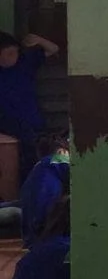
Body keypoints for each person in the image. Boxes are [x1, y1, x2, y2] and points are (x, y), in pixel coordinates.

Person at [0, 30, 60, 176]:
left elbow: (54, 49)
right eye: (8, 53)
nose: (13, 57)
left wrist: (38, 40)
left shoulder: (25, 63)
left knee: (36, 169)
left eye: (15, 52)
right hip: (6, 131)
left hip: (32, 127)